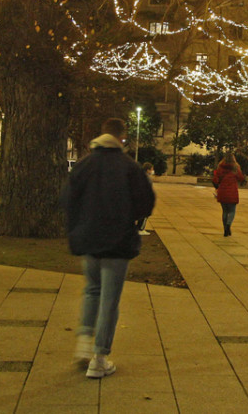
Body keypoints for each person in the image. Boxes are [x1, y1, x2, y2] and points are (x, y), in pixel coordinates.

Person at [63, 118, 155, 379]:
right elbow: (145, 203)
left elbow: (67, 199)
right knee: (110, 299)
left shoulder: (83, 165)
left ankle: (82, 346)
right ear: (121, 138)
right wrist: (128, 217)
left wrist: (80, 225)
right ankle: (99, 358)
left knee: (92, 290)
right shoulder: (130, 167)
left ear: (101, 135)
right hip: (117, 240)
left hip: (89, 238)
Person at [213, 152, 245, 236]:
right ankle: (228, 225)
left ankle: (225, 229)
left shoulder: (220, 167)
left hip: (222, 191)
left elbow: (216, 179)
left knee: (224, 211)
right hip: (232, 191)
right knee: (232, 211)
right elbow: (241, 178)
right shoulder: (236, 167)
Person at [138, 162, 155, 236]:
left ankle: (139, 228)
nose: (152, 171)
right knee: (145, 215)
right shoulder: (146, 178)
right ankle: (141, 229)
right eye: (151, 169)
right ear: (148, 170)